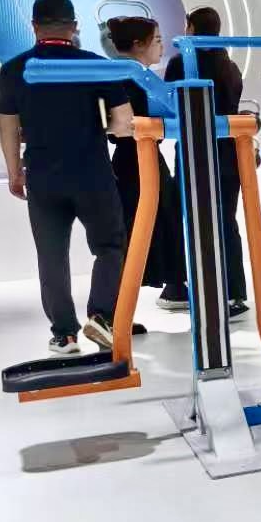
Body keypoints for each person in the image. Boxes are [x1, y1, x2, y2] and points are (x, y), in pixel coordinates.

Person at [0, 0, 134, 355]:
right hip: (92, 173)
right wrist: (98, 128)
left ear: (33, 27)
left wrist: (14, 171)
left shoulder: (14, 70)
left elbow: (8, 126)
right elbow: (125, 124)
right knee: (110, 246)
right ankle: (101, 316)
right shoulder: (95, 65)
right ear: (74, 26)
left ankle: (64, 334)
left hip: (43, 176)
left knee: (51, 255)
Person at [157, 7, 246, 316]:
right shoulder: (230, 66)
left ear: (192, 28)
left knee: (186, 218)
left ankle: (185, 288)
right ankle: (233, 293)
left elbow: (169, 107)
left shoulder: (180, 63)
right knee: (226, 221)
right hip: (227, 153)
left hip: (194, 151)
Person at [103, 16, 185, 309]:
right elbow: (120, 126)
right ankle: (116, 310)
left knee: (161, 223)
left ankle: (174, 288)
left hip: (141, 159)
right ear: (139, 44)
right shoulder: (129, 78)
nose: (162, 47)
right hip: (135, 162)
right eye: (158, 40)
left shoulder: (136, 77)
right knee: (136, 230)